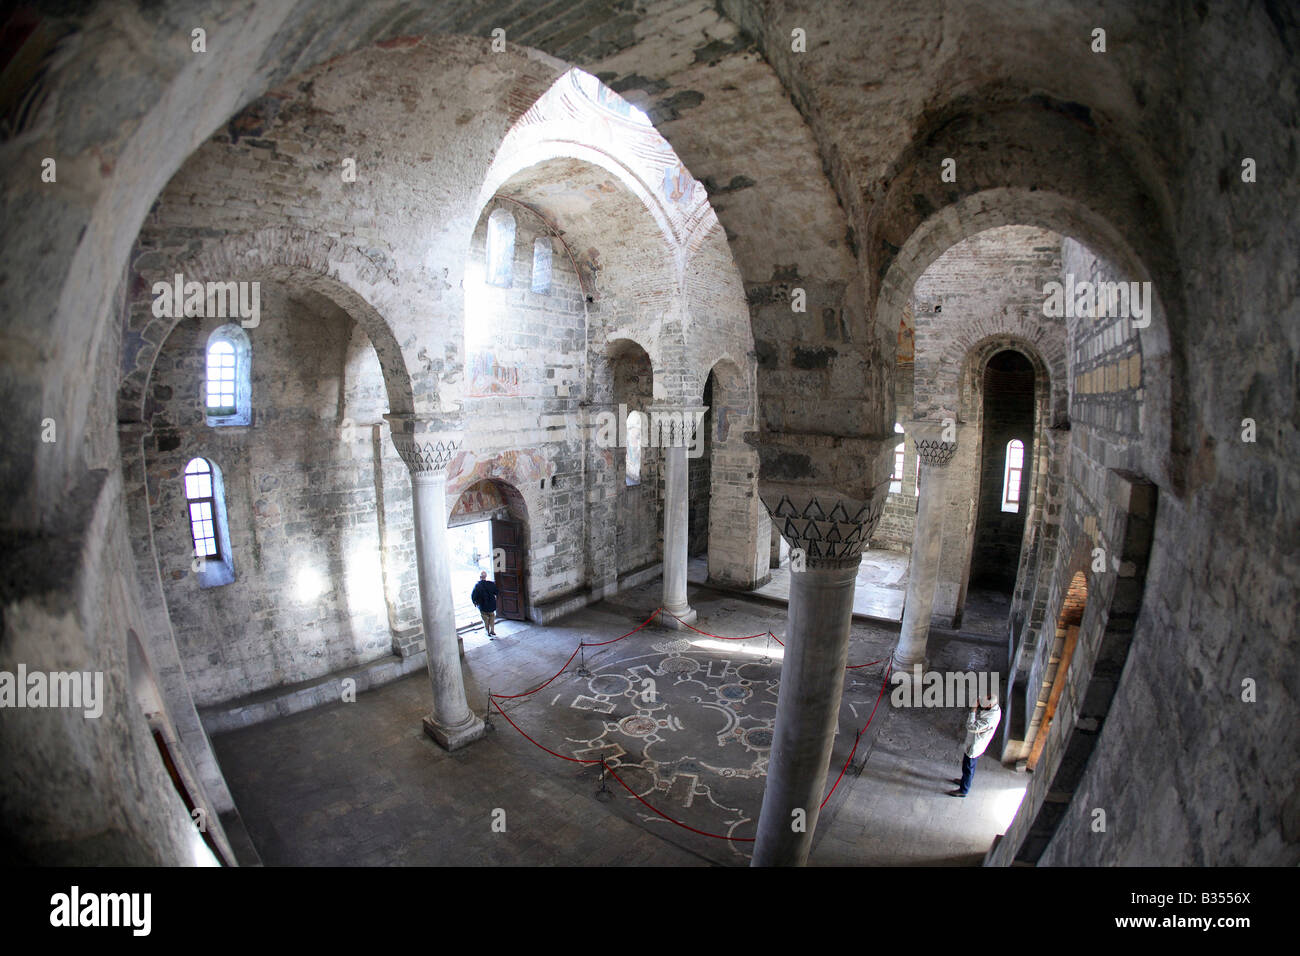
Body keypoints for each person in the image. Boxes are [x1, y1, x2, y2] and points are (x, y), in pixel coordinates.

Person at [948, 693, 1001, 797]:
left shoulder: (988, 721)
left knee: (968, 767)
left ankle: (963, 790)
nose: (981, 705)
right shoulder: (995, 708)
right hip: (975, 743)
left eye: (983, 704)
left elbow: (971, 727)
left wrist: (973, 711)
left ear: (989, 706)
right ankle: (964, 781)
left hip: (975, 745)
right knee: (969, 766)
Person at [471, 571, 499, 637]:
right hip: (491, 604)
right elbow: (496, 592)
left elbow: (473, 596)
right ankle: (492, 630)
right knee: (492, 616)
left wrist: (475, 602)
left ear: (480, 577)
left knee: (485, 619)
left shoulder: (477, 585)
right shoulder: (491, 584)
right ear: (485, 577)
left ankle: (487, 631)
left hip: (482, 605)